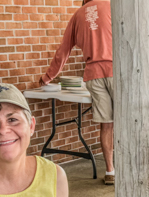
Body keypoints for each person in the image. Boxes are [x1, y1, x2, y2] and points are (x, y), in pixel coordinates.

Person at [39, 0, 115, 185]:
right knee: (129, 122)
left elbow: (63, 50)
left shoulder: (77, 15)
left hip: (93, 75)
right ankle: (131, 168)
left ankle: (110, 171)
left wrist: (47, 77)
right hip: (117, 71)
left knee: (106, 124)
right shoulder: (113, 6)